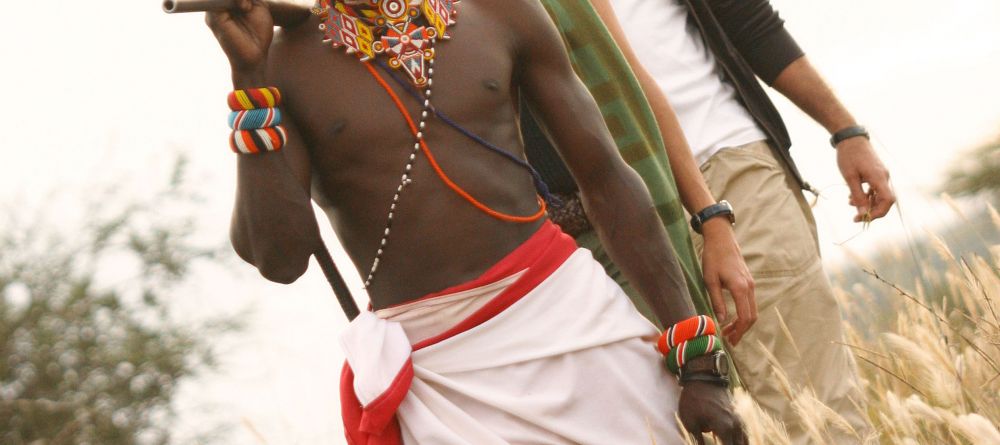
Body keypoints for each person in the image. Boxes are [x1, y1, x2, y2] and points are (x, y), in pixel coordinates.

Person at [205, 0, 748, 443]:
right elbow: (279, 258)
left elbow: (606, 179)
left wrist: (697, 359)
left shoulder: (501, 10)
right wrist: (250, 79)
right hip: (443, 379)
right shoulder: (284, 67)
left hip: (577, 321)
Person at [525, 0, 895, 442]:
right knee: (692, 422)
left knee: (813, 408)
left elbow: (749, 21)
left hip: (726, 167)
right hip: (615, 213)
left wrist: (846, 131)